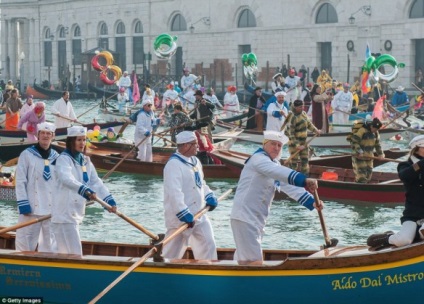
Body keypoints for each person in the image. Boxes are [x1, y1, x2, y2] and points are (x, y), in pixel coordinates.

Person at [230, 130, 322, 264]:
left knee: (244, 259)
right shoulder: (259, 159)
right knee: (252, 262)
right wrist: (304, 180)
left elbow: (289, 186)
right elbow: (280, 172)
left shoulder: (273, 164)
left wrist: (312, 202)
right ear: (264, 144)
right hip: (245, 218)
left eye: (279, 146)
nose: (276, 148)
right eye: (273, 144)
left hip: (256, 220)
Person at [51, 126, 117, 256]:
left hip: (75, 211)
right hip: (63, 212)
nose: (82, 143)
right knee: (70, 252)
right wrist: (84, 189)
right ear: (71, 142)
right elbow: (66, 178)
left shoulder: (86, 160)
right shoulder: (63, 159)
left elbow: (95, 182)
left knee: (69, 252)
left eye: (84, 140)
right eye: (79, 140)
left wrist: (108, 201)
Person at [162, 131, 219, 260]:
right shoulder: (173, 165)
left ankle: (208, 271)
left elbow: (201, 183)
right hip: (180, 219)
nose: (198, 146)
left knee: (208, 244)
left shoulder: (195, 161)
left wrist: (209, 195)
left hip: (199, 214)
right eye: (195, 144)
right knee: (171, 253)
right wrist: (183, 214)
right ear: (186, 145)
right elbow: (174, 193)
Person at [367, 135, 424, 249]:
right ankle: (387, 238)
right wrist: (422, 164)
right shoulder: (405, 165)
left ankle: (418, 234)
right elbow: (405, 176)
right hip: (413, 214)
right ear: (417, 148)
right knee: (404, 240)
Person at [15, 122, 59, 252]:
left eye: (48, 134)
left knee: (50, 245)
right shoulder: (26, 154)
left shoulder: (57, 157)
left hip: (50, 209)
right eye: (43, 133)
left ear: (53, 136)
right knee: (25, 242)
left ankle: (48, 268)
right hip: (31, 208)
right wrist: (23, 203)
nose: (45, 136)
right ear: (38, 135)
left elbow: (61, 183)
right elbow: (20, 181)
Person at [285, 100, 321, 175]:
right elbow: (291, 134)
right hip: (294, 144)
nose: (302, 108)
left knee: (305, 161)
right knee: (293, 163)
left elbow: (309, 124)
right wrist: (297, 146)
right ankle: (291, 179)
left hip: (304, 143)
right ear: (295, 107)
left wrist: (316, 131)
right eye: (300, 107)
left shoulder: (304, 114)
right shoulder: (293, 118)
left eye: (303, 106)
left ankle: (305, 177)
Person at [350, 118, 385, 183]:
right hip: (359, 157)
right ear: (371, 126)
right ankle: (359, 189)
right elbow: (354, 142)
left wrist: (381, 154)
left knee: (368, 176)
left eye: (377, 129)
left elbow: (377, 144)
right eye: (375, 129)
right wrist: (359, 151)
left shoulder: (376, 133)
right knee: (361, 177)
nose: (376, 131)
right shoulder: (362, 130)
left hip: (369, 157)